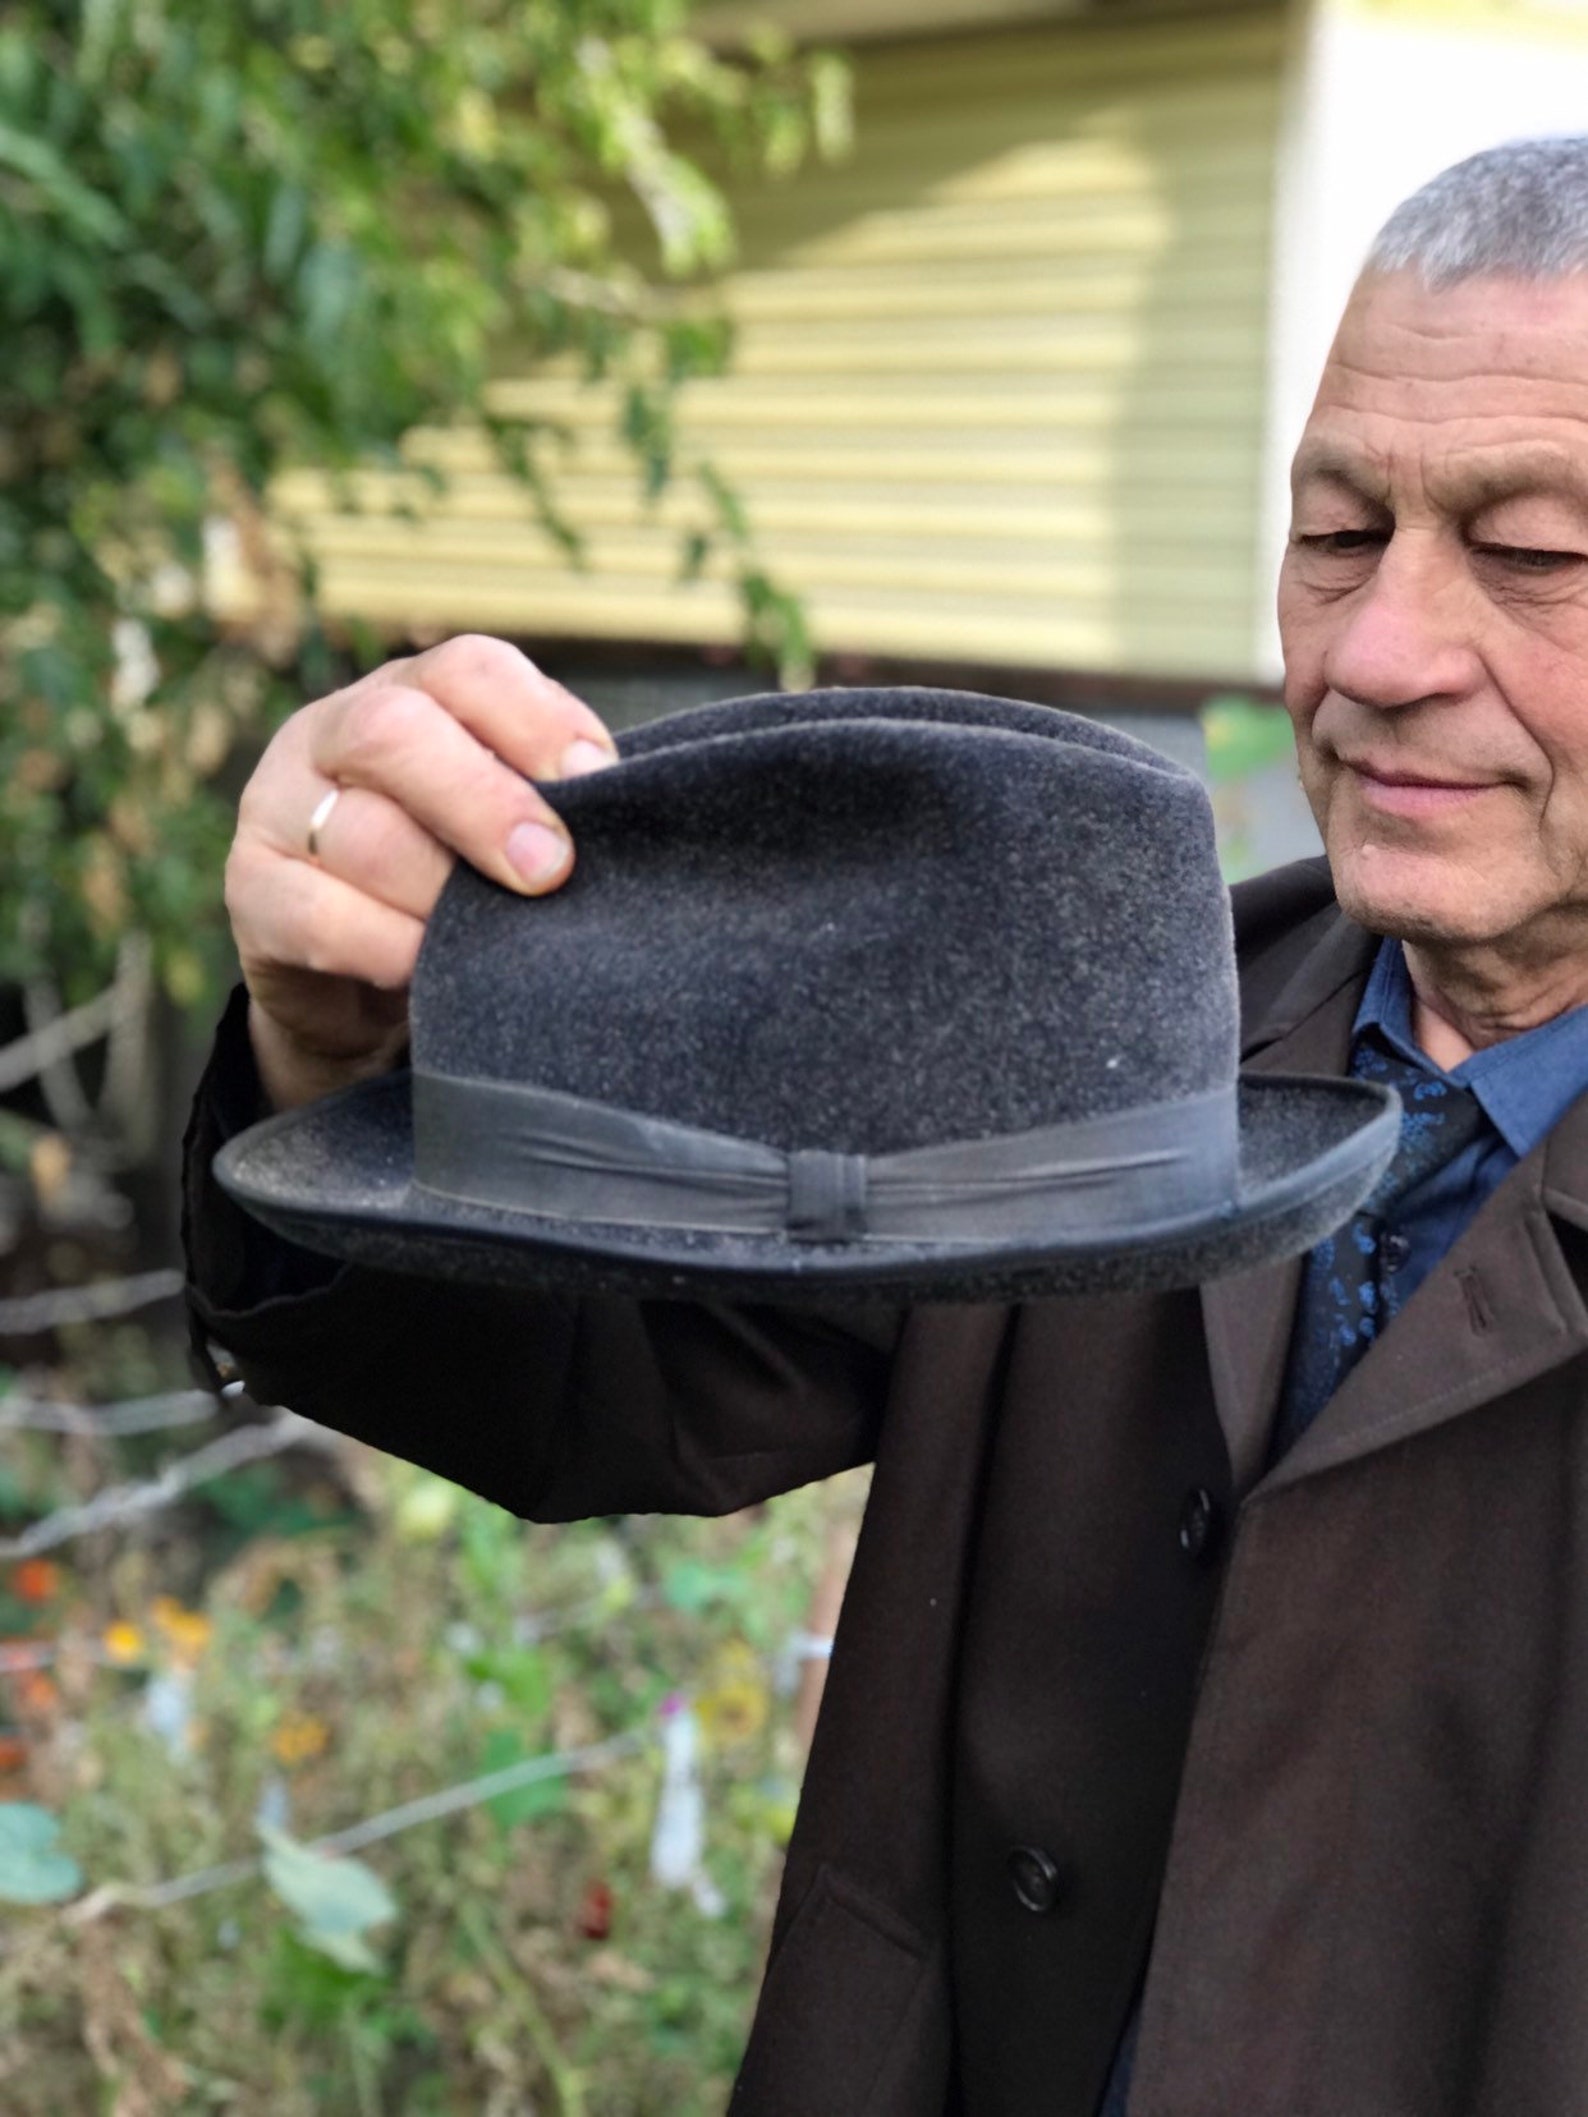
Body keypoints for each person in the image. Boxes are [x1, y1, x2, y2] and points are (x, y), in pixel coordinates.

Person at [185, 136, 1588, 2115]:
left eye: (1532, 555)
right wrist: (332, 1067)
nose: (1369, 656)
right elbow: (585, 1376)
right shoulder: (1098, 1018)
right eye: (1334, 532)